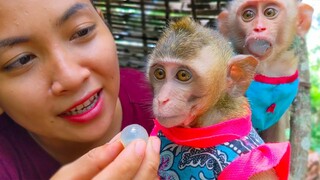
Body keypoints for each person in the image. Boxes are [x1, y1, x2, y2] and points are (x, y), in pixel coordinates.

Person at [0, 0, 160, 179]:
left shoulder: (168, 104)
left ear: (103, 22)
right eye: (22, 60)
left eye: (81, 31)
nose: (71, 79)